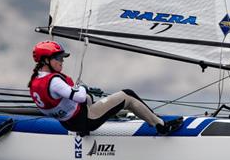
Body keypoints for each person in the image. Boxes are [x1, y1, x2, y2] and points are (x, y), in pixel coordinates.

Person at [28, 41, 182, 135]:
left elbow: (50, 107)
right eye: (59, 58)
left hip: (69, 123)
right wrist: (82, 88)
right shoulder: (54, 82)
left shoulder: (36, 80)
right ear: (46, 60)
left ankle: (84, 132)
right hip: (86, 120)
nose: (62, 61)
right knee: (127, 95)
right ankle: (161, 126)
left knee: (88, 99)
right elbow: (80, 96)